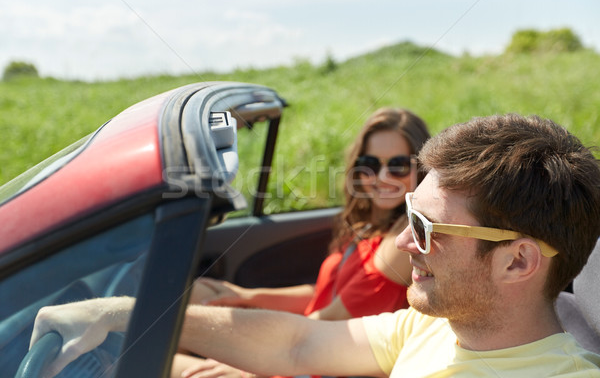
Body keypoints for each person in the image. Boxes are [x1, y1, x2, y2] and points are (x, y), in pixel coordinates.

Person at [31, 114, 600, 378]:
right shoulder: (437, 326)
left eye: (426, 229)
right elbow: (301, 342)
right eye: (409, 217)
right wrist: (119, 314)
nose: (403, 241)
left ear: (518, 260)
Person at [171, 107, 431, 378]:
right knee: (199, 292)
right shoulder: (372, 225)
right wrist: (247, 296)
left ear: (421, 168)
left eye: (398, 165)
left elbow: (329, 319)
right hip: (306, 339)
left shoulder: (405, 239)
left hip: (318, 358)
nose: (383, 177)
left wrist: (250, 363)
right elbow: (325, 292)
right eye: (372, 164)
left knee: (172, 366)